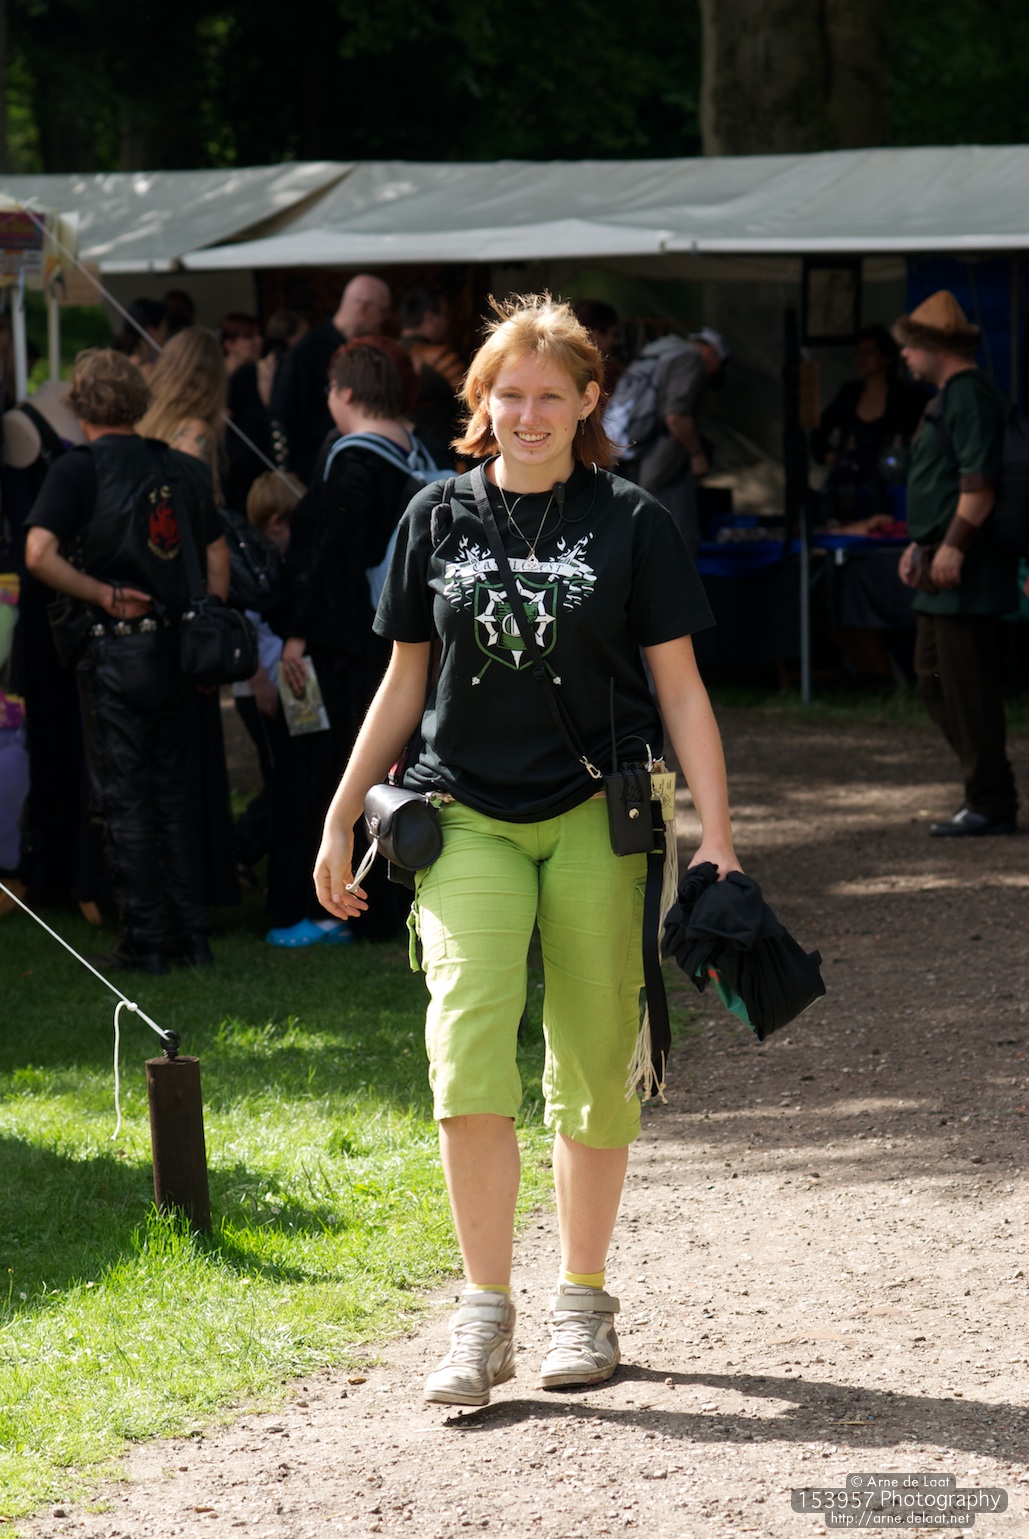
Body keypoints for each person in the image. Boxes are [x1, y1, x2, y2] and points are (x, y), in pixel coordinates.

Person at [313, 295, 739, 1406]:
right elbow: (402, 682)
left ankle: (582, 1300)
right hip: (463, 818)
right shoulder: (434, 517)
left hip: (602, 813)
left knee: (593, 1062)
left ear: (590, 400)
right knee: (466, 1052)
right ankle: (482, 1313)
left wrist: (721, 837)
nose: (529, 414)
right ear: (480, 402)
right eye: (509, 394)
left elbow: (682, 691)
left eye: (552, 395)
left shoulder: (633, 520)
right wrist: (341, 810)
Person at [23, 349, 230, 972]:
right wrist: (204, 623)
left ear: (80, 405)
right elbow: (217, 556)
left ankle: (146, 941)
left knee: (126, 799)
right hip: (177, 652)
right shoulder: (181, 466)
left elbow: (37, 553)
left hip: (115, 653)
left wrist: (101, 594)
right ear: (138, 401)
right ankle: (191, 936)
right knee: (175, 795)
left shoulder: (76, 469)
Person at [266, 339, 434, 947]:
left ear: (343, 392)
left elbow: (325, 563)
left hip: (348, 651)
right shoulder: (420, 454)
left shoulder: (352, 461)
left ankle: (335, 905)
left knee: (333, 771)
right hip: (407, 645)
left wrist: (296, 634)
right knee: (390, 773)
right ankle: (384, 900)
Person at [896, 290, 1019, 838]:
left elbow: (979, 485)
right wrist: (922, 544)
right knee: (935, 678)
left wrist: (952, 547)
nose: (905, 354)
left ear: (935, 347)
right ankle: (987, 788)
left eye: (911, 345)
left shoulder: (968, 393)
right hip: (943, 566)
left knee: (966, 687)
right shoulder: (953, 394)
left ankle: (990, 799)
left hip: (965, 570)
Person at [137, 326, 239, 907]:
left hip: (153, 601)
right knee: (188, 760)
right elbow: (207, 537)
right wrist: (214, 615)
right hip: (190, 605)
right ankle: (196, 882)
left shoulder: (148, 428)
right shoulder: (197, 435)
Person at [619, 326, 729, 557]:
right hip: (663, 468)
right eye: (719, 363)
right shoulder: (690, 359)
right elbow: (676, 417)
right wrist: (696, 453)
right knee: (677, 542)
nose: (716, 370)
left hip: (630, 456)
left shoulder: (658, 352)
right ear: (710, 351)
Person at [270, 274, 391, 482]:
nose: (384, 320)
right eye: (383, 311)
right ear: (364, 307)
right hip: (315, 467)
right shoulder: (307, 352)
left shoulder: (367, 349)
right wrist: (287, 470)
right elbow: (283, 413)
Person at [812, 323, 928, 524]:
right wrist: (833, 456)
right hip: (850, 488)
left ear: (886, 357)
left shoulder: (908, 394)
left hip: (895, 486)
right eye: (858, 353)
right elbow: (818, 431)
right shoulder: (849, 394)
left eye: (868, 352)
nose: (861, 358)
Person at [399, 285, 465, 464]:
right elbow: (469, 405)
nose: (447, 323)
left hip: (396, 452)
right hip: (438, 458)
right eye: (445, 315)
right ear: (429, 317)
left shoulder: (383, 357)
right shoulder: (439, 357)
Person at [219, 313, 273, 511]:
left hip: (254, 460)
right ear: (230, 345)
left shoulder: (258, 372)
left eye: (258, 335)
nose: (258, 341)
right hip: (232, 464)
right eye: (249, 337)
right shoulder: (220, 379)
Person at [573, 298, 624, 398]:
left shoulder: (560, 364)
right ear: (595, 335)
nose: (613, 341)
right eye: (612, 334)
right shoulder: (608, 375)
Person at [112, 298, 168, 380]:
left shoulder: (117, 364)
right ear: (151, 331)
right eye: (164, 328)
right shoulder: (147, 370)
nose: (166, 333)